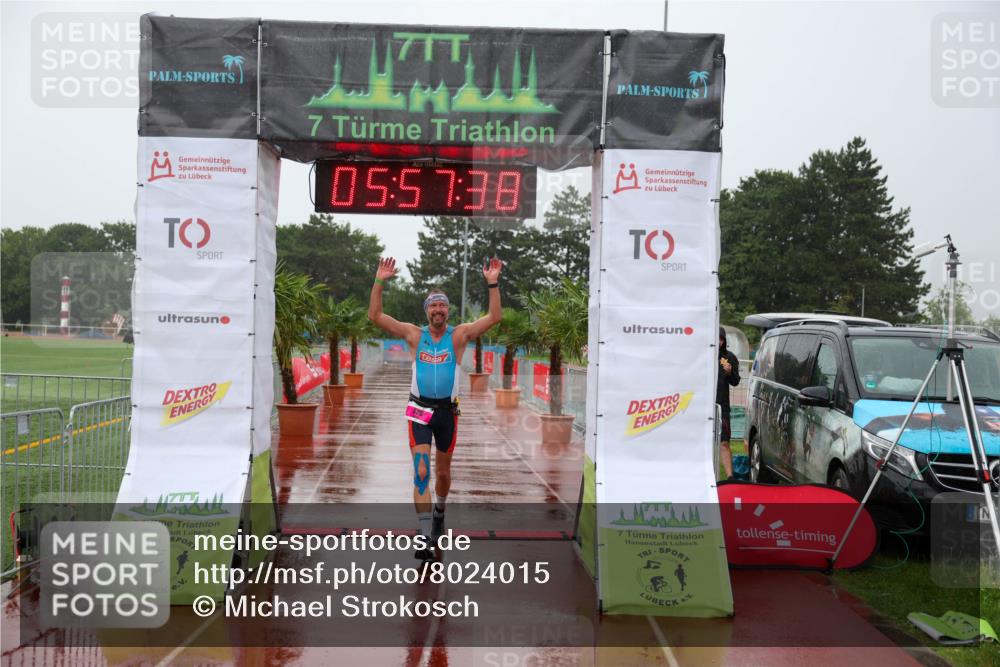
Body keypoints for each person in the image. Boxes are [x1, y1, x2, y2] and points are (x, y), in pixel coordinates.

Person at [368, 256, 503, 559]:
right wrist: (379, 281)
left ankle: (439, 510)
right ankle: (425, 535)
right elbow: (375, 315)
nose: (438, 310)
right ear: (426, 311)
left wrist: (492, 283)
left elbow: (494, 317)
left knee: (442, 473)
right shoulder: (415, 335)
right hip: (418, 409)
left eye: (442, 305)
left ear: (447, 310)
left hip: (447, 412)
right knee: (421, 471)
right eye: (433, 305)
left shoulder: (459, 336)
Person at [717, 326, 741, 479]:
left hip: (722, 406)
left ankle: (730, 477)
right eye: (716, 338)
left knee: (724, 442)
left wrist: (729, 372)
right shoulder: (701, 355)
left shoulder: (729, 357)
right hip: (702, 405)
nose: (718, 342)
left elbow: (735, 381)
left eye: (721, 339)